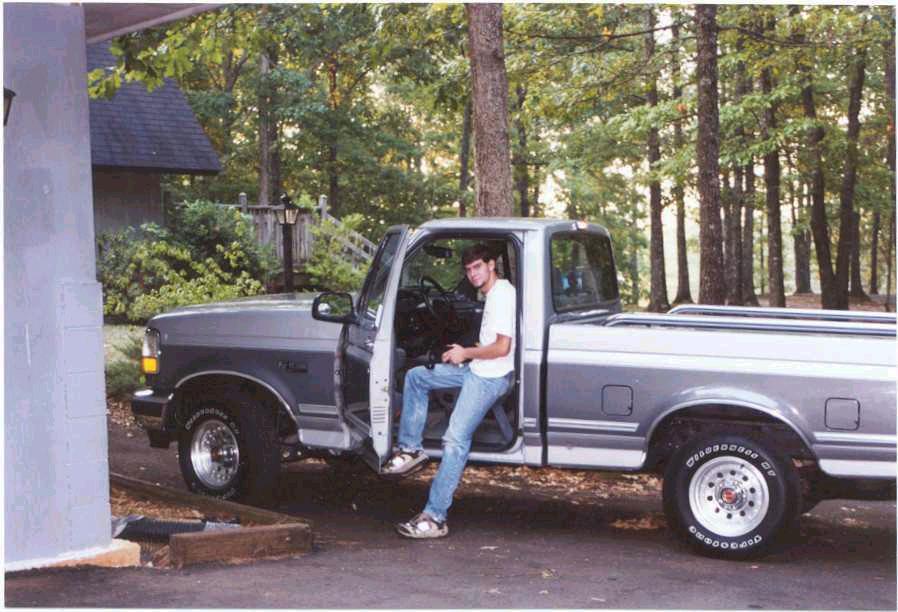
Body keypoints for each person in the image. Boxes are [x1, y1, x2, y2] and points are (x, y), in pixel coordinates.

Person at [383, 243, 516, 539]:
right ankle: (411, 449)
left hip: (490, 378)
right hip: (478, 369)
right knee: (417, 377)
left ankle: (435, 517)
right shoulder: (494, 293)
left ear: (491, 265)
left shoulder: (502, 296)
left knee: (455, 441)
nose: (472, 274)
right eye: (468, 270)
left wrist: (464, 353)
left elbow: (502, 348)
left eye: (477, 267)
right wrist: (466, 353)